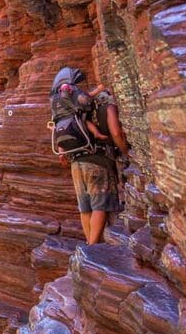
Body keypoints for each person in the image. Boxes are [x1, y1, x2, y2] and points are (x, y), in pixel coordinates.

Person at [51, 68, 129, 245]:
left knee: (85, 208)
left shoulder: (74, 110)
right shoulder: (105, 104)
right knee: (100, 205)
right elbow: (116, 133)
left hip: (76, 162)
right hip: (98, 161)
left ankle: (88, 244)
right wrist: (125, 152)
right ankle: (92, 248)